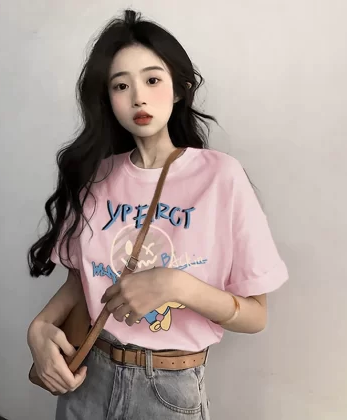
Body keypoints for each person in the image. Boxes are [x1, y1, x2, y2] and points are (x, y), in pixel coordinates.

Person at [26, 8, 289, 420]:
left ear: (179, 89)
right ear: (107, 99)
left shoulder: (219, 176)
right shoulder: (97, 176)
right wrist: (40, 327)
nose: (138, 97)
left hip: (168, 390)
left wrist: (177, 285)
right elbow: (82, 279)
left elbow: (255, 315)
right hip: (89, 380)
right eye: (121, 85)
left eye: (152, 80)